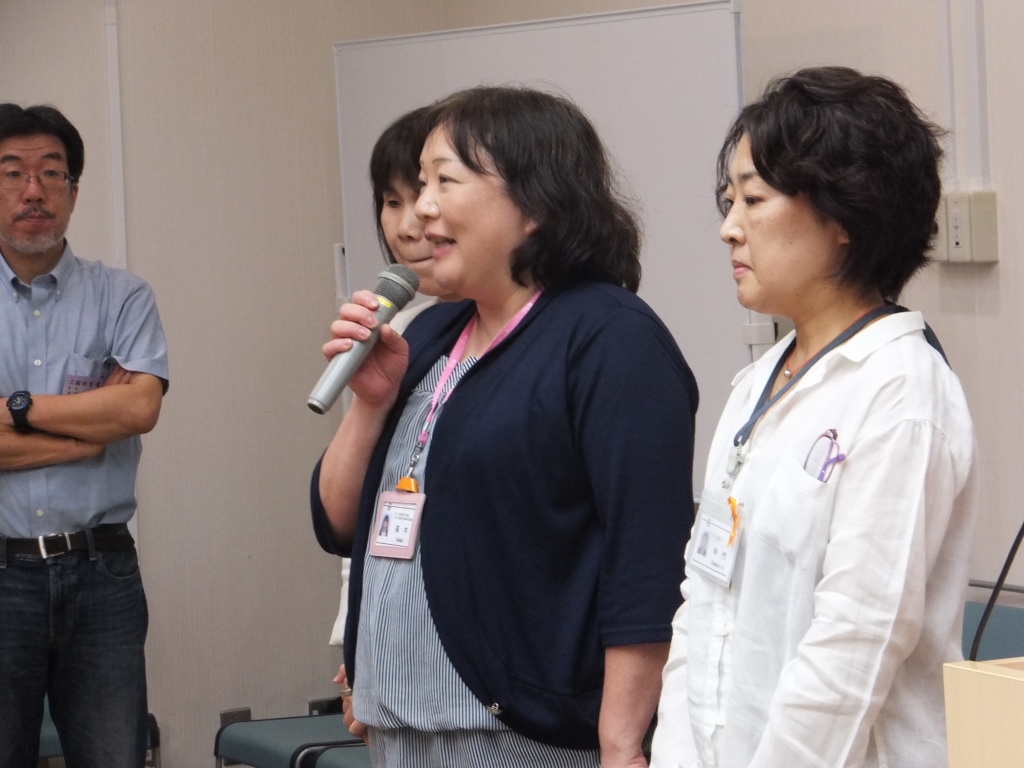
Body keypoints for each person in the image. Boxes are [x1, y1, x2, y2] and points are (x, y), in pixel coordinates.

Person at [311, 86, 698, 767]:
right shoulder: (429, 334)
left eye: (445, 181)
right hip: (399, 723)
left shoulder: (609, 338)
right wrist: (370, 405)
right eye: (420, 185)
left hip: (522, 734)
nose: (421, 209)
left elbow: (645, 557)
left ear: (536, 205)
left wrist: (621, 740)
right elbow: (336, 525)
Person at [650, 67, 978, 768]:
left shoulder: (901, 391)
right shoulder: (759, 380)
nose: (728, 229)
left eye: (753, 200)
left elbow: (854, 643)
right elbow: (702, 597)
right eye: (729, 202)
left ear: (843, 217)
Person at [0, 104, 168, 768]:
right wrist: (85, 432)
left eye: (51, 173)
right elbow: (109, 418)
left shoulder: (123, 297)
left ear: (73, 190)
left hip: (102, 573)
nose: (32, 191)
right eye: (12, 173)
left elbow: (137, 409)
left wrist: (14, 410)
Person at [325, 106, 459, 716]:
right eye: (391, 201)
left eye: (428, 193)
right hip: (391, 651)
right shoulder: (399, 328)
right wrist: (357, 643)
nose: (409, 225)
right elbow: (356, 516)